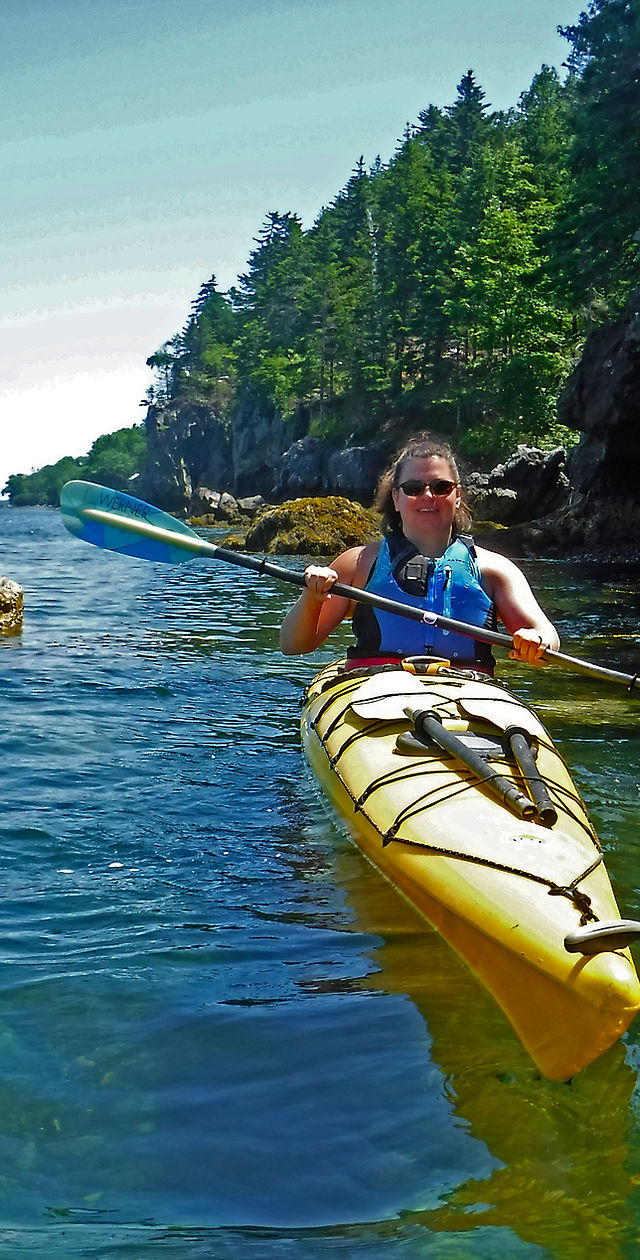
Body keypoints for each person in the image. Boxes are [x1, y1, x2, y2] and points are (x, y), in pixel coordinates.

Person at [279, 434, 560, 671]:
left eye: (441, 487)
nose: (428, 496)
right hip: (376, 693)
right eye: (414, 488)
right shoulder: (358, 564)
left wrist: (536, 640)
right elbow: (294, 645)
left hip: (467, 692)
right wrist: (312, 596)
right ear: (396, 498)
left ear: (457, 496)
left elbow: (548, 637)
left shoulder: (495, 570)